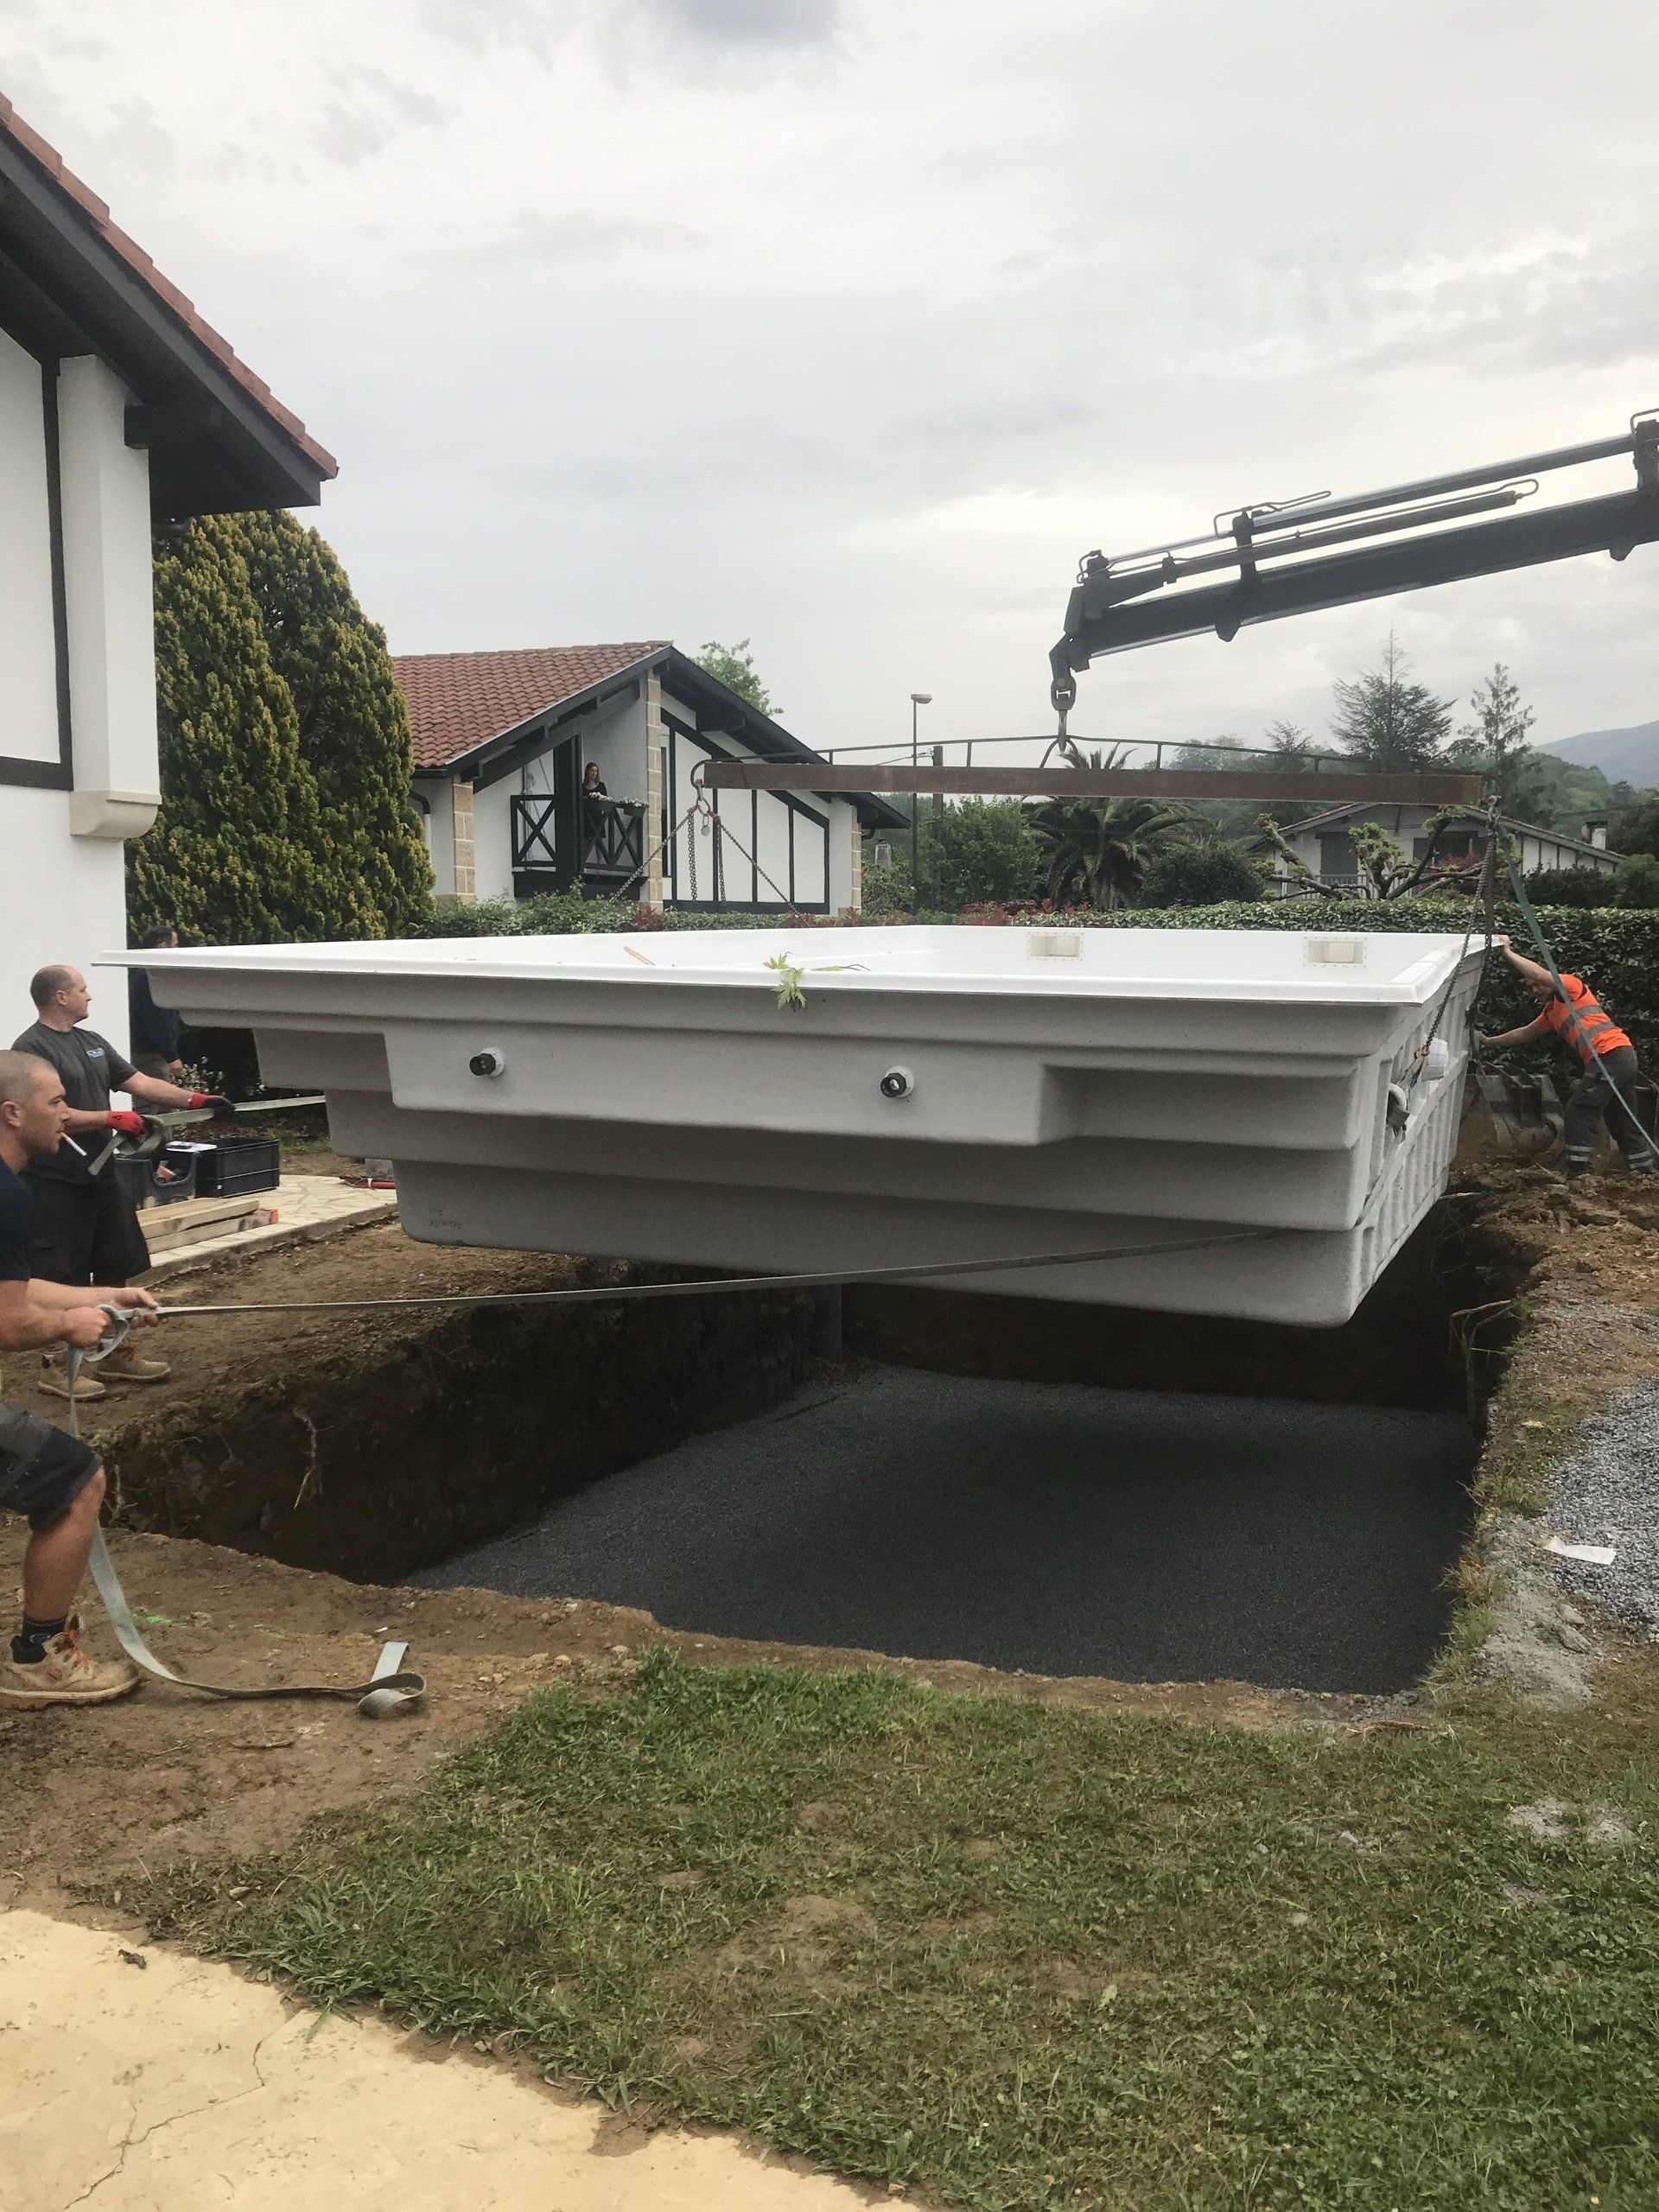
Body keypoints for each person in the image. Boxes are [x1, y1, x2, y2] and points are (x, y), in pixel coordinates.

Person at [0, 1049, 162, 1705]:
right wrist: (69, 1328)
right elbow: (8, 1324)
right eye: (56, 1102)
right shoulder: (6, 1191)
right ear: (13, 1113)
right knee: (75, 1479)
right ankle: (39, 1657)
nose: (68, 1114)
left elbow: (15, 1287)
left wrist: (103, 1297)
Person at [12, 966, 227, 1400]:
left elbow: (138, 1082)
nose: (89, 996)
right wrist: (109, 1118)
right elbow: (51, 1114)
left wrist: (196, 1100)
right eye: (82, 989)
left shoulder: (92, 1043)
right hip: (56, 1179)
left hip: (102, 1174)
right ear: (59, 997)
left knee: (115, 1260)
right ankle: (56, 1365)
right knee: (62, 1271)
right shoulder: (31, 1049)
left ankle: (112, 1351)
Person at [1478, 937, 1658, 1180]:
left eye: (1536, 985)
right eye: (1529, 988)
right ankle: (1644, 1173)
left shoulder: (1570, 987)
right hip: (1620, 1056)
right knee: (1621, 1117)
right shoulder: (1551, 1012)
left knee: (1580, 1109)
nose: (1534, 990)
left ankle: (1579, 1172)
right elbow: (1524, 1034)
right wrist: (1488, 1041)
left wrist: (1507, 953)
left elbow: (1542, 976)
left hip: (1610, 1055)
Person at [128, 925, 185, 1080]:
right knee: (154, 1100)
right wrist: (171, 1056)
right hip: (150, 1056)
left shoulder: (136, 971)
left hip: (139, 1050)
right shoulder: (154, 977)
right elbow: (157, 1018)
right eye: (175, 945)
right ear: (162, 945)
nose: (178, 950)